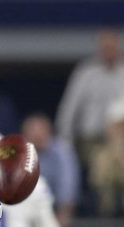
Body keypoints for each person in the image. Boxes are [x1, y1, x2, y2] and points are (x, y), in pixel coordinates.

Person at [56, 29, 124, 169]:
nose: (109, 51)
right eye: (105, 47)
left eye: (112, 47)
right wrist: (65, 142)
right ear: (99, 49)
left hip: (120, 138)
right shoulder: (85, 73)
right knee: (102, 163)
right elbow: (69, 109)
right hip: (91, 139)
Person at [21, 113, 81, 227]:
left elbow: (67, 187)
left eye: (40, 131)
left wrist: (63, 215)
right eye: (32, 132)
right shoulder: (17, 153)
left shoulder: (62, 152)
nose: (37, 135)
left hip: (55, 212)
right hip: (24, 212)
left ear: (49, 132)